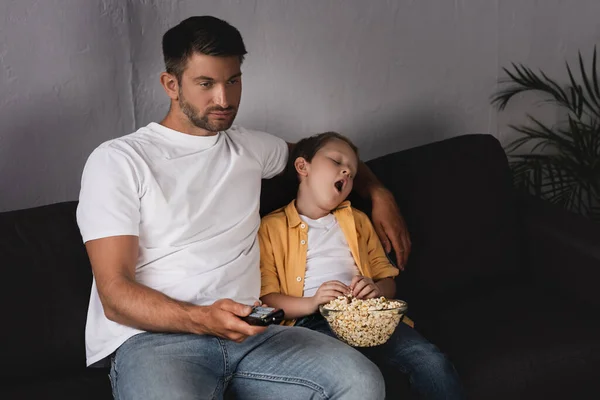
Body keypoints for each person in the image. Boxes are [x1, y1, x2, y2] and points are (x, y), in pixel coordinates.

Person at [77, 16, 412, 400]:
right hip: (158, 343)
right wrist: (203, 319)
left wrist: (379, 193)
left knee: (363, 382)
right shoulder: (119, 161)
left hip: (256, 334)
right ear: (171, 84)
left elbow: (323, 156)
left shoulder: (250, 148)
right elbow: (115, 295)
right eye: (206, 84)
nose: (224, 99)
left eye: (232, 80)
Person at [258, 132, 465, 399]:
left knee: (431, 362)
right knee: (356, 376)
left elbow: (388, 279)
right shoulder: (271, 228)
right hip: (311, 322)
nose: (346, 170)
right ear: (302, 167)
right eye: (336, 161)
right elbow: (268, 298)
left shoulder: (357, 221)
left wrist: (376, 289)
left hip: (369, 316)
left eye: (352, 173)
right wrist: (313, 302)